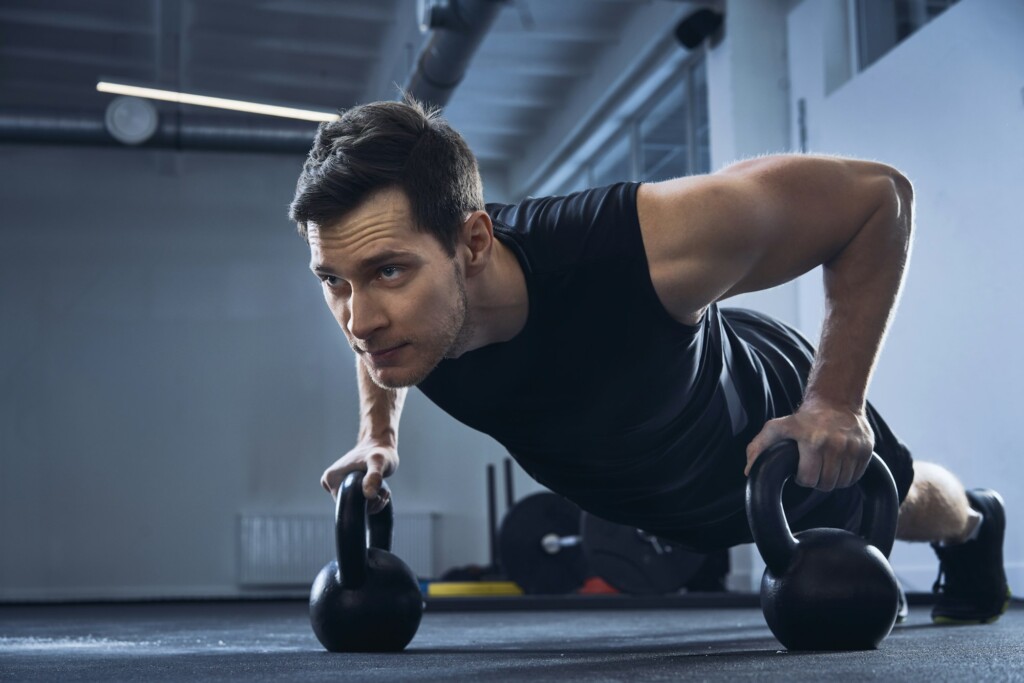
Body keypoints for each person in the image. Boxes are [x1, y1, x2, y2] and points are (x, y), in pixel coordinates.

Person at [288, 95, 1009, 624]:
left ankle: (979, 521)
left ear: (471, 244)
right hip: (646, 495)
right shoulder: (399, 322)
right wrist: (376, 434)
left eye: (387, 272)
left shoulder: (628, 247)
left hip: (756, 439)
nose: (357, 318)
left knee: (911, 501)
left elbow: (880, 199)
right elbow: (375, 339)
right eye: (333, 281)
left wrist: (837, 402)